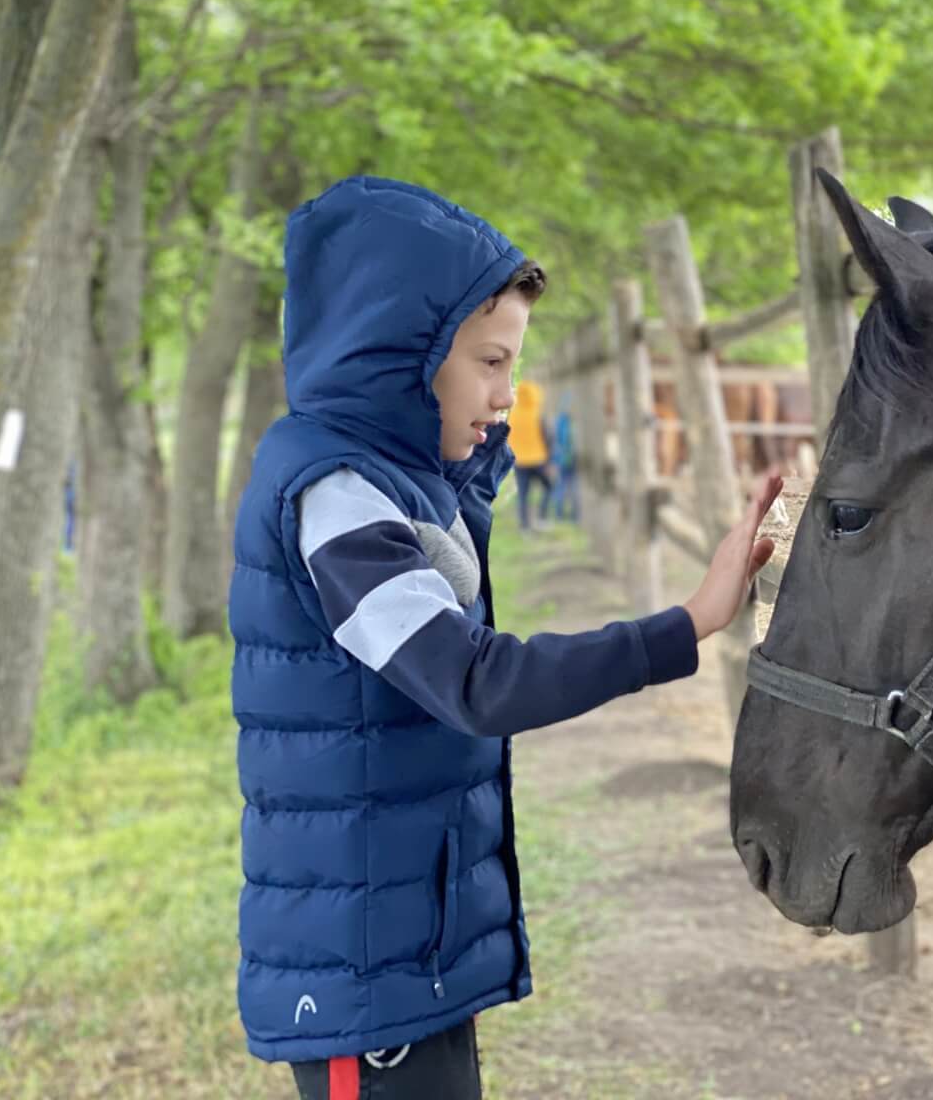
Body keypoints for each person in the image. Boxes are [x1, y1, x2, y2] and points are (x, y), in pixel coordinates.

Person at [228, 176, 779, 1100]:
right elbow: (476, 682)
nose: (506, 394)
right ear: (396, 355)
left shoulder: (384, 482)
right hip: (364, 973)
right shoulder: (335, 497)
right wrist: (684, 626)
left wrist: (470, 465)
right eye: (489, 362)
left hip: (400, 944)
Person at [506, 377, 554, 531]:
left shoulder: (513, 415)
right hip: (538, 460)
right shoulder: (537, 414)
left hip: (520, 461)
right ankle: (542, 517)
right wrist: (549, 461)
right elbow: (547, 438)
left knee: (523, 494)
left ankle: (524, 526)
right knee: (549, 487)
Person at [549, 393, 578, 522]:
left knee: (562, 485)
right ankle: (570, 515)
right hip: (568, 459)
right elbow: (565, 441)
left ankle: (561, 514)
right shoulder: (568, 422)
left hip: (561, 458)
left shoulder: (559, 420)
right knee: (570, 486)